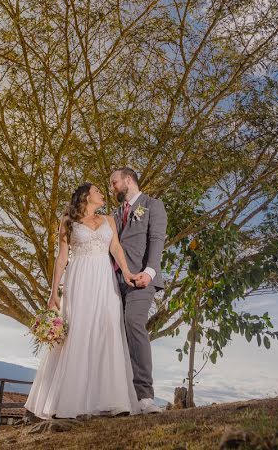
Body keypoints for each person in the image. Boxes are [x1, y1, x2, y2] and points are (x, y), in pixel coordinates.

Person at [24, 182, 141, 419]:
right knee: (79, 330)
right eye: (98, 191)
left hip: (105, 280)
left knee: (108, 328)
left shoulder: (109, 220)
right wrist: (53, 292)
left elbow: (116, 247)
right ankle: (70, 401)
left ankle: (112, 400)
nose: (102, 194)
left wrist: (127, 273)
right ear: (86, 196)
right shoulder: (68, 221)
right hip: (79, 279)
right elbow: (62, 257)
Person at [109, 167, 166, 414]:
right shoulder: (113, 214)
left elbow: (156, 241)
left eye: (114, 183)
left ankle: (145, 397)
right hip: (113, 282)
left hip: (141, 280)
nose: (112, 188)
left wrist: (150, 273)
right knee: (112, 333)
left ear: (128, 180)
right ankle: (117, 396)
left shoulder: (152, 205)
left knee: (133, 323)